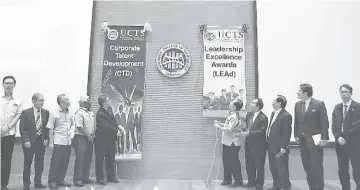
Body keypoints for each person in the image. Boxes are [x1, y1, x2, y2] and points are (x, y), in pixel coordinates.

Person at [294, 83, 329, 190]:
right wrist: (296, 135)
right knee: (307, 166)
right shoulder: (298, 104)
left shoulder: (318, 104)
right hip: (303, 141)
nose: (297, 92)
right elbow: (297, 122)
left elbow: (324, 122)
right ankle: (311, 187)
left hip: (315, 140)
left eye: (299, 91)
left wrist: (324, 137)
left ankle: (318, 188)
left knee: (316, 166)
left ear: (305, 93)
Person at [332, 84, 360, 190]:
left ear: (351, 93)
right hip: (340, 144)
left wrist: (346, 138)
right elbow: (334, 126)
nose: (344, 94)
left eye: (346, 92)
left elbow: (358, 126)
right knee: (342, 170)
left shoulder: (358, 107)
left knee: (357, 169)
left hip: (354, 144)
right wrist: (338, 137)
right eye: (342, 92)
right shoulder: (337, 107)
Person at [20, 93, 49, 190]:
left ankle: (38, 182)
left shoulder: (45, 112)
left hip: (40, 141)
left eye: (43, 100)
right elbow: (22, 129)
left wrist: (46, 138)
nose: (42, 102)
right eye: (40, 100)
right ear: (33, 101)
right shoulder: (25, 112)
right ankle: (26, 183)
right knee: (28, 163)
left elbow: (46, 128)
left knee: (39, 163)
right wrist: (25, 140)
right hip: (29, 142)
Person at [47, 94, 75, 189]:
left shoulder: (70, 112)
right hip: (58, 141)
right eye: (67, 99)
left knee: (65, 162)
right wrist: (51, 142)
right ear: (62, 102)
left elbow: (72, 124)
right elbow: (50, 128)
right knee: (56, 162)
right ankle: (52, 181)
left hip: (68, 141)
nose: (69, 100)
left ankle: (60, 179)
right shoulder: (54, 113)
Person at [214, 100, 244, 187]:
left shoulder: (235, 117)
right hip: (227, 142)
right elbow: (228, 125)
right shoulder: (231, 115)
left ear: (234, 107)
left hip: (232, 143)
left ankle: (238, 181)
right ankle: (227, 179)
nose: (229, 103)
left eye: (231, 103)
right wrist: (220, 123)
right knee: (226, 162)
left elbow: (229, 129)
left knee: (233, 163)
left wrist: (218, 127)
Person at [95, 95, 124, 185]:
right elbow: (105, 126)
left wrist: (118, 126)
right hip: (101, 140)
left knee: (111, 158)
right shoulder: (100, 114)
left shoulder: (110, 109)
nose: (110, 101)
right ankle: (100, 178)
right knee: (100, 159)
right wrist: (116, 131)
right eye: (108, 100)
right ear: (104, 103)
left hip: (110, 140)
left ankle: (111, 176)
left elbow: (113, 120)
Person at [1, 76, 23, 190]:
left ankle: (3, 185)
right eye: (6, 83)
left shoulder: (18, 101)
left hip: (9, 134)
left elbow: (18, 116)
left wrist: (7, 127)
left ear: (14, 85)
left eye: (11, 83)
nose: (8, 85)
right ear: (2, 84)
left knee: (6, 159)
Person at [241, 98, 268, 190]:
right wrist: (244, 128)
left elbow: (262, 131)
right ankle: (251, 182)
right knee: (249, 164)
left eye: (253, 103)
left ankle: (259, 184)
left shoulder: (264, 117)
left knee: (259, 165)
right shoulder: (249, 114)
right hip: (248, 144)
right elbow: (246, 127)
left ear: (258, 106)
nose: (250, 104)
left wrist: (249, 133)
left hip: (259, 146)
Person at [266, 95, 292, 190]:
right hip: (271, 145)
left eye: (274, 100)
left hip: (280, 148)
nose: (272, 102)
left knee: (282, 169)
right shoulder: (273, 113)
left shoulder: (286, 115)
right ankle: (276, 186)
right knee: (273, 167)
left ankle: (285, 187)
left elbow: (286, 133)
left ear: (279, 103)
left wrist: (283, 148)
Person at [72, 96, 95, 187]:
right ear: (83, 103)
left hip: (89, 138)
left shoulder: (91, 112)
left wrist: (92, 135)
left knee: (87, 159)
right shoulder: (79, 113)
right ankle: (77, 179)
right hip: (81, 138)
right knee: (80, 159)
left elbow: (92, 125)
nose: (90, 102)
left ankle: (85, 177)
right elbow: (79, 127)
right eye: (88, 101)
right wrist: (88, 136)